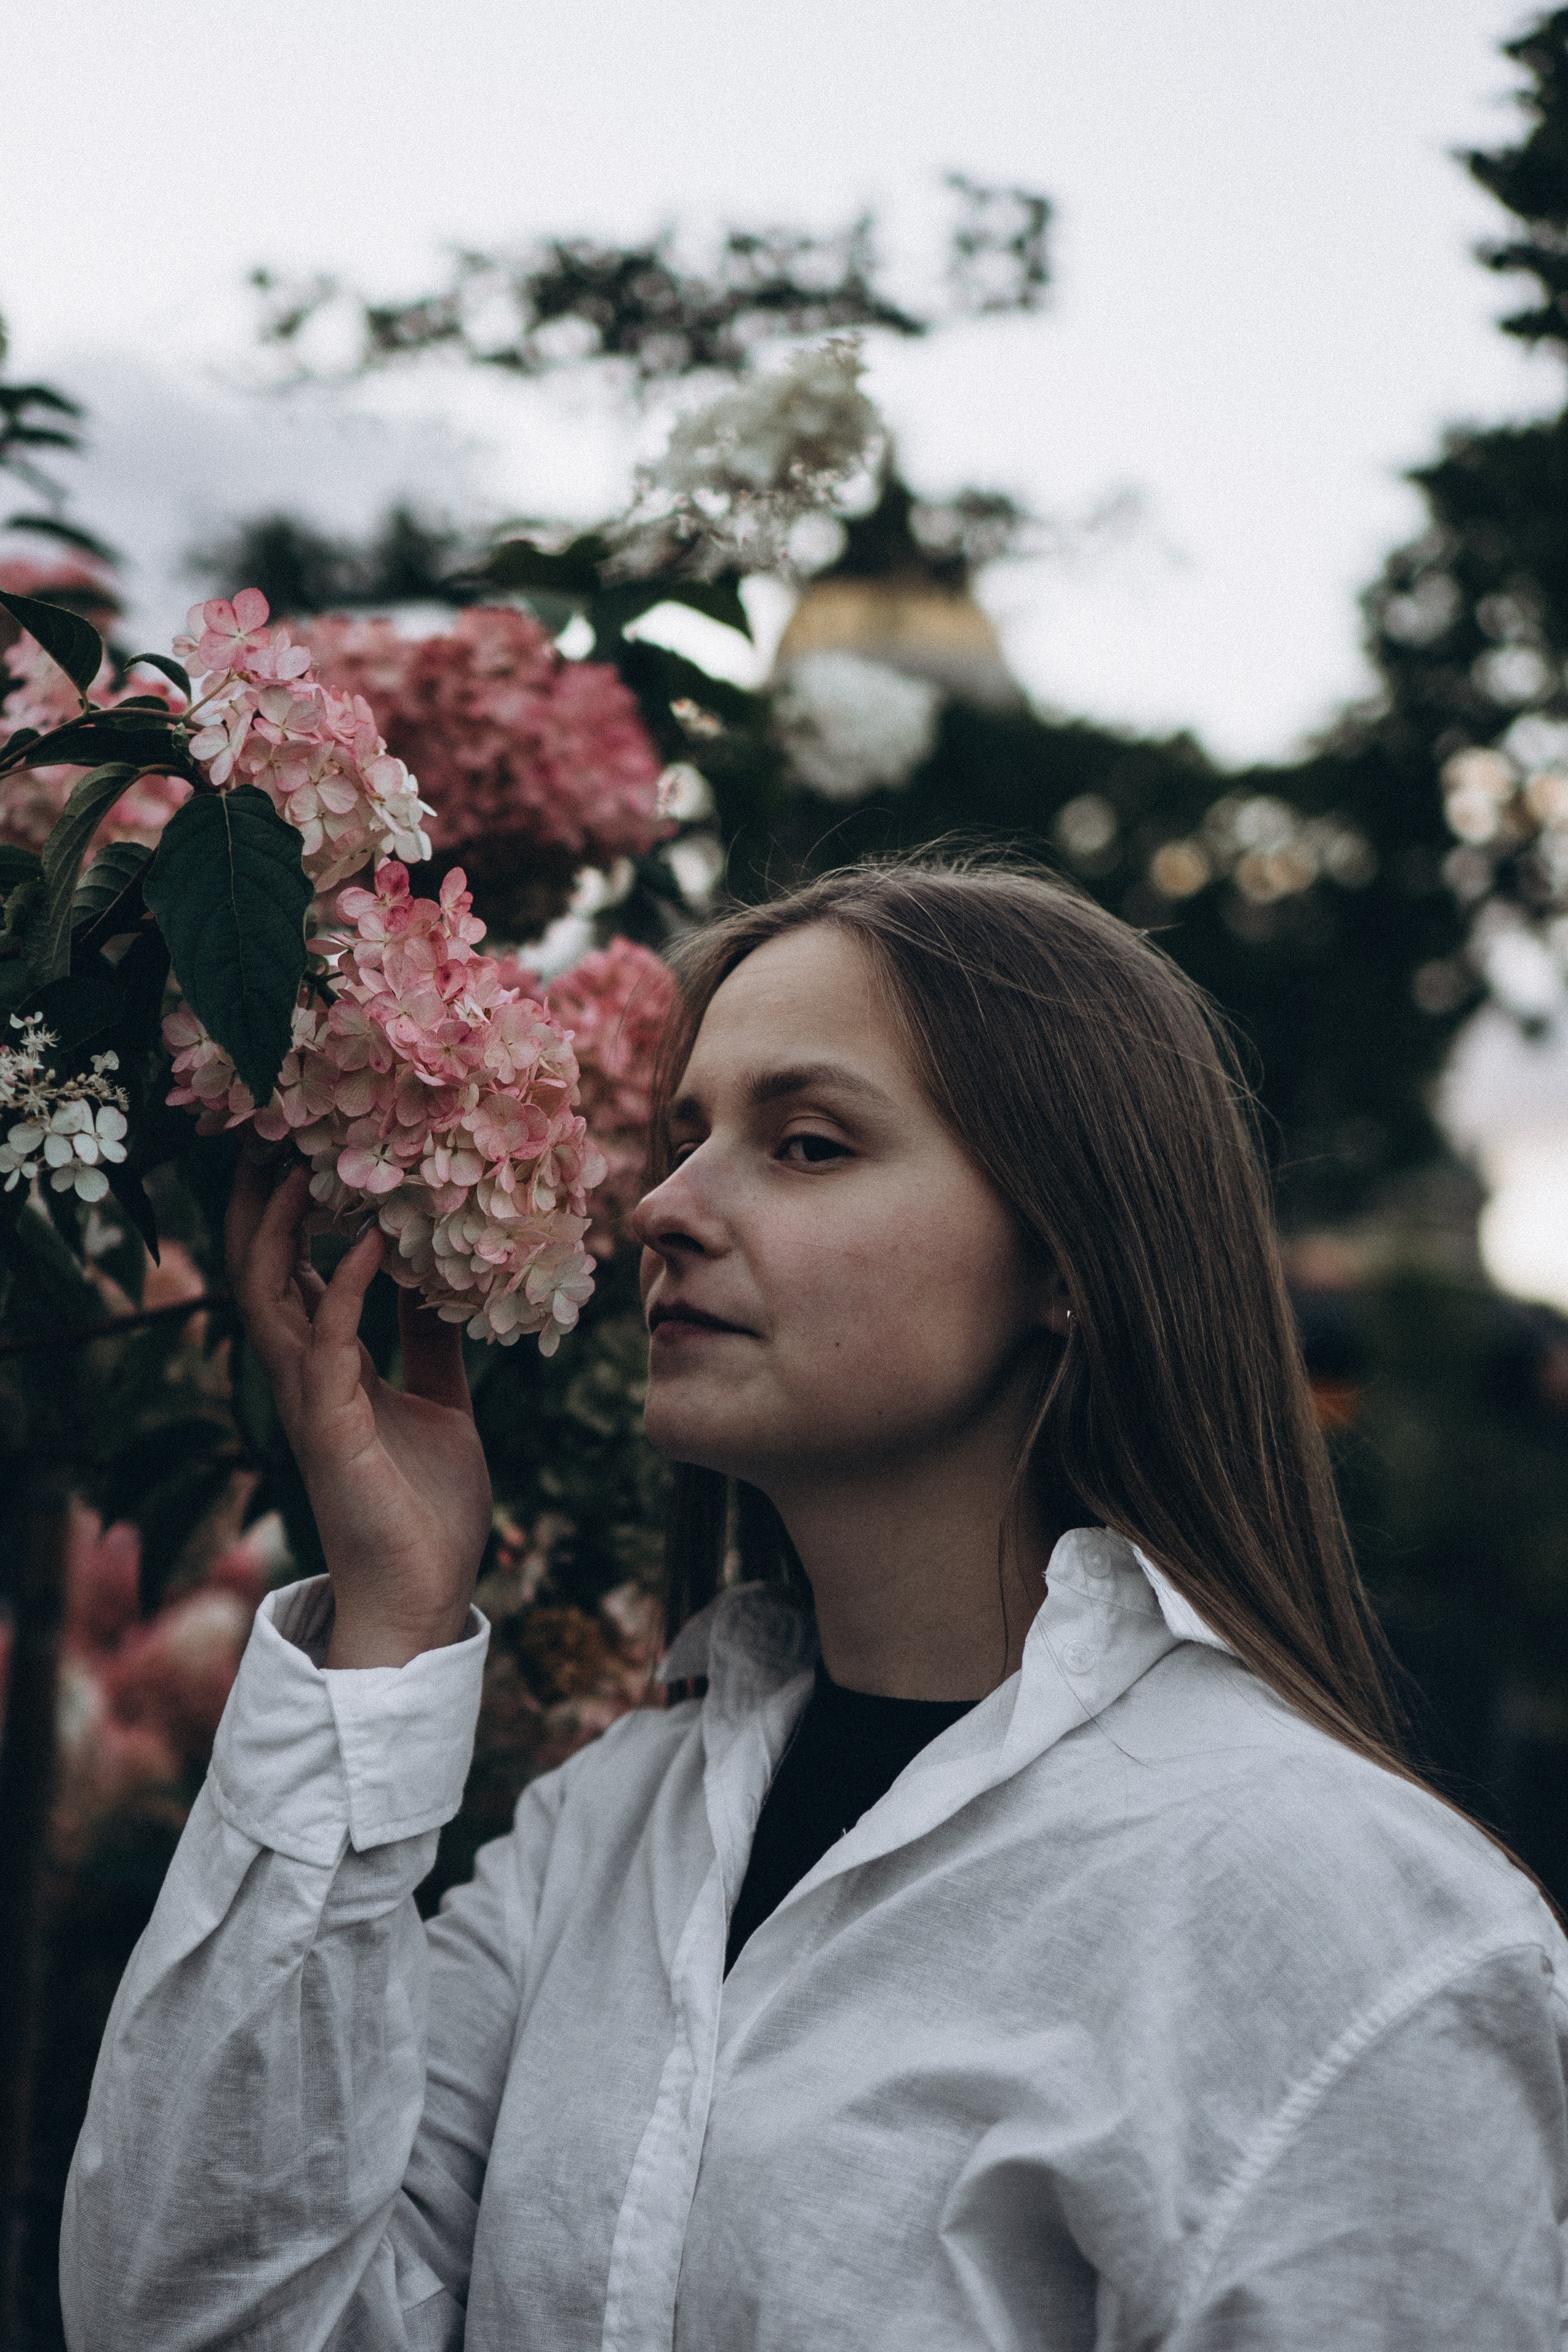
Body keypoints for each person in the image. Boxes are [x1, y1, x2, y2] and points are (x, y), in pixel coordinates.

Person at [61, 857, 1568, 2350]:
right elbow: (202, 2316)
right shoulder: (606, 1835)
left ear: (1065, 1259)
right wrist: (387, 1624)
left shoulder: (1341, 1926)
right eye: (683, 1136)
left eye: (806, 1145)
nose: (659, 1206)